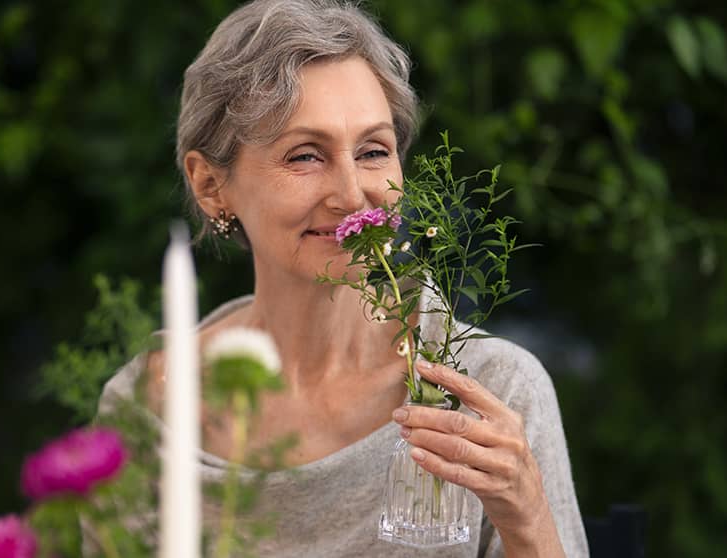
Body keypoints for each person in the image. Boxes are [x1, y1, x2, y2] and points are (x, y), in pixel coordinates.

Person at [98, 0, 588, 556]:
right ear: (211, 185)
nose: (352, 195)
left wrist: (526, 518)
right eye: (305, 156)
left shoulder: (496, 392)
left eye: (374, 151)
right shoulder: (150, 403)